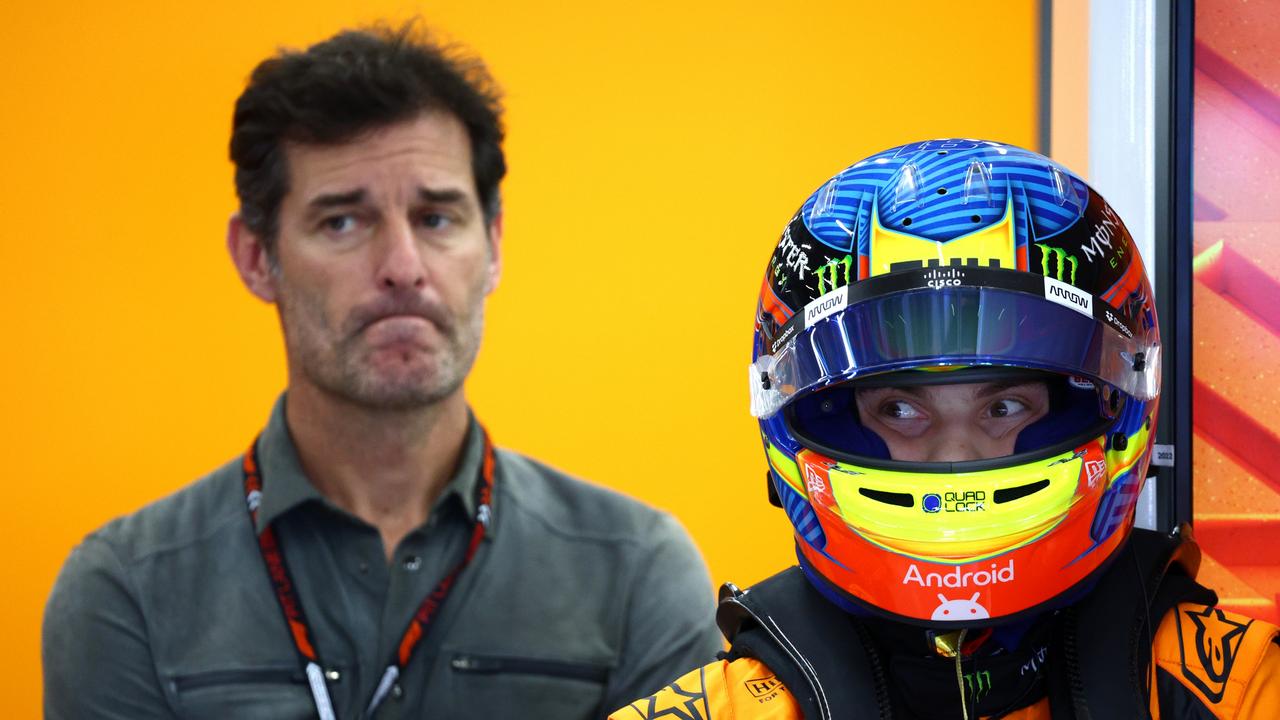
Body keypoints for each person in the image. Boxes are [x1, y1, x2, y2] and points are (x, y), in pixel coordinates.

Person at [43, 23, 721, 719]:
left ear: (492, 246)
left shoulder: (637, 574)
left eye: (435, 218)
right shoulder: (127, 593)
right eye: (342, 222)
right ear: (256, 257)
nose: (403, 268)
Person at [612, 139, 1280, 719]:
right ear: (813, 416)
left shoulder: (1245, 688)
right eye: (901, 410)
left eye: (1004, 407)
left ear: (1109, 402)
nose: (954, 453)